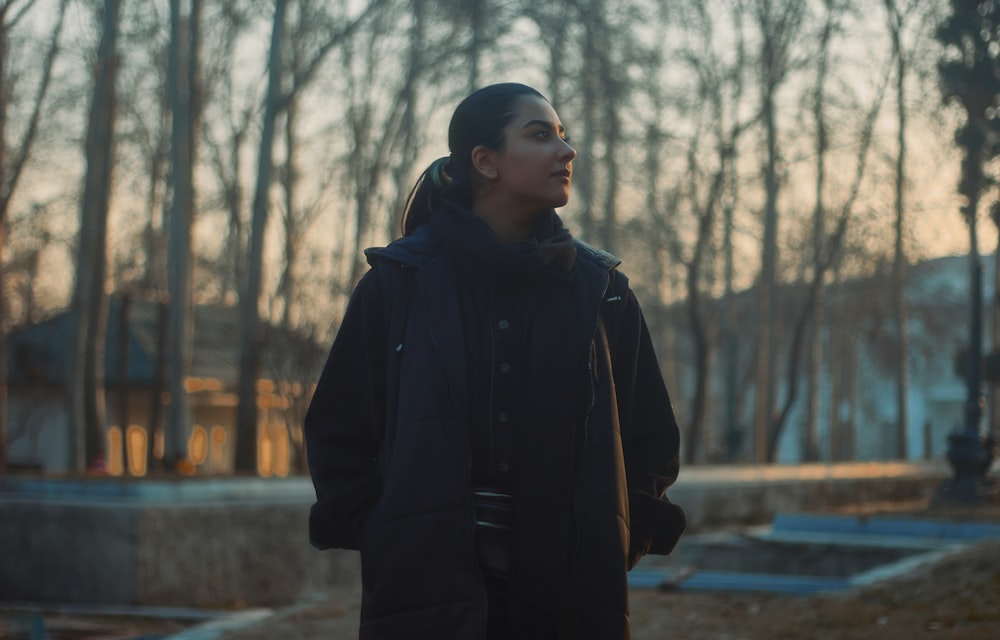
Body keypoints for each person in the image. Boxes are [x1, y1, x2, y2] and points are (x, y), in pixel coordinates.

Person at [304, 82, 686, 640]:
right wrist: (390, 533)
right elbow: (339, 432)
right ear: (485, 161)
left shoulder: (602, 291)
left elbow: (648, 436)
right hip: (424, 587)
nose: (566, 150)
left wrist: (613, 535)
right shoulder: (398, 284)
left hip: (567, 591)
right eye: (540, 135)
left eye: (563, 135)